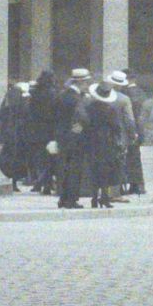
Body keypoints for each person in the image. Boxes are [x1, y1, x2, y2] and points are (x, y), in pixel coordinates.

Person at [84, 78, 124, 208]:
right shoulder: (110, 110)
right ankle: (105, 197)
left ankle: (94, 197)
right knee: (105, 170)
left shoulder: (89, 108)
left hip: (91, 141)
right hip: (107, 141)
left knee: (94, 168)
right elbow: (116, 127)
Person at [55, 69, 92, 207]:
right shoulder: (76, 98)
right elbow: (82, 117)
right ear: (81, 82)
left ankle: (63, 198)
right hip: (75, 138)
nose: (87, 85)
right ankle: (71, 199)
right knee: (74, 169)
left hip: (63, 136)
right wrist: (84, 125)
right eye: (87, 82)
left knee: (65, 168)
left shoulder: (63, 95)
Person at [107, 70, 144, 196]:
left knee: (118, 160)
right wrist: (134, 133)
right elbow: (133, 117)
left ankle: (118, 187)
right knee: (133, 159)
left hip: (115, 131)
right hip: (131, 130)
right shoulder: (140, 93)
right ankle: (137, 185)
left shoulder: (117, 95)